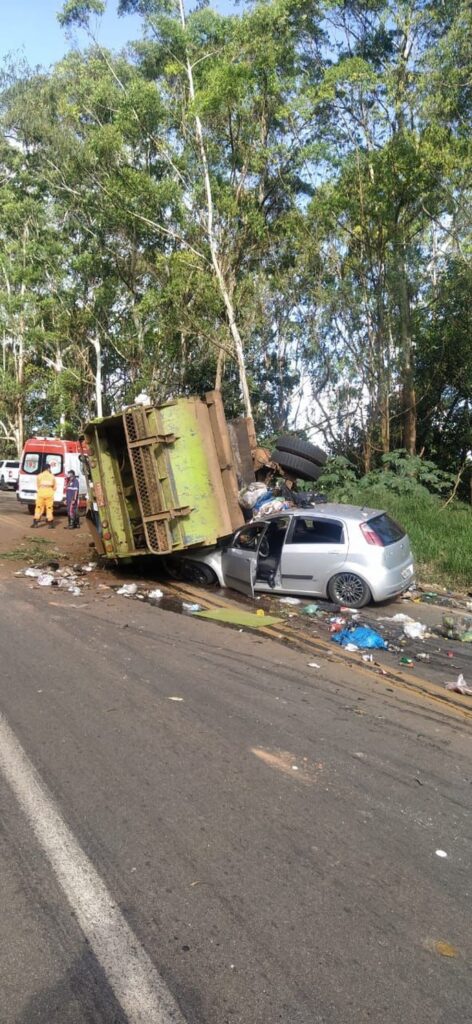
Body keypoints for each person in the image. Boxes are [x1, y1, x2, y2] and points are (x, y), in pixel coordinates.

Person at [32, 463, 57, 528]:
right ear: (49, 468)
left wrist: (41, 489)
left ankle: (35, 523)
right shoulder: (52, 476)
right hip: (49, 493)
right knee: (49, 508)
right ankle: (50, 524)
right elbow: (55, 487)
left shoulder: (39, 475)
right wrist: (50, 490)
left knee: (38, 508)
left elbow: (38, 485)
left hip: (41, 493)